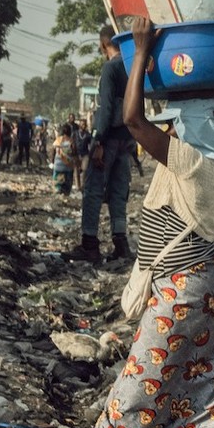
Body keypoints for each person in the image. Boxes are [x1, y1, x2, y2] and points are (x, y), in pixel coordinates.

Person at [25, 15, 214, 428]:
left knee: (138, 385)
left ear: (191, 129)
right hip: (203, 288)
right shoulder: (202, 164)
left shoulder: (195, 164)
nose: (169, 130)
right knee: (210, 388)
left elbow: (132, 119)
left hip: (185, 292)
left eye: (177, 123)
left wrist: (140, 52)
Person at [76, 25, 135, 265]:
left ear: (103, 45)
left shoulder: (110, 68)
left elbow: (107, 107)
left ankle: (90, 244)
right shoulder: (132, 66)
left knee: (93, 190)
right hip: (128, 138)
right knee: (119, 193)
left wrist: (98, 139)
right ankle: (120, 243)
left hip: (109, 138)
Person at [51, 122, 74, 196]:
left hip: (59, 165)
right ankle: (66, 196)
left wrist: (52, 162)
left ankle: (58, 197)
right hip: (69, 166)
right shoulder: (71, 141)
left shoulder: (58, 140)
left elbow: (54, 151)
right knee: (67, 186)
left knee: (58, 185)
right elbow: (74, 152)